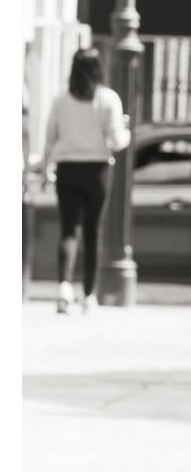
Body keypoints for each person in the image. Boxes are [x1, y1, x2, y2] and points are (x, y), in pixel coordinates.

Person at [39, 48, 130, 314]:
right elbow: (116, 141)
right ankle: (89, 294)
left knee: (69, 229)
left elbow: (50, 138)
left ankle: (64, 288)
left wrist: (46, 168)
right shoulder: (107, 99)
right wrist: (125, 130)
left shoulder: (61, 100)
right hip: (97, 170)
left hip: (67, 168)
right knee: (92, 232)